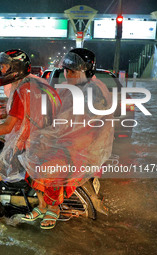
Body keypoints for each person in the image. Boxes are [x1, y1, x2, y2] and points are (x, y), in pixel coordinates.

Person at [21, 48, 114, 229]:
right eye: (67, 70)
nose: (67, 74)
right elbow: (54, 112)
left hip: (82, 144)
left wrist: (48, 134)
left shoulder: (93, 91)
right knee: (31, 151)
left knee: (51, 164)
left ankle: (54, 208)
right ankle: (42, 205)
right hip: (66, 139)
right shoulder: (71, 88)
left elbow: (78, 124)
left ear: (83, 72)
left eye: (71, 71)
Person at [0, 49, 60, 216]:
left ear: (16, 68)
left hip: (26, 146)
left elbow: (7, 127)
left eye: (5, 66)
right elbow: (27, 112)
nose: (2, 70)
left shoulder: (23, 89)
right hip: (43, 142)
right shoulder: (33, 84)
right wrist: (0, 115)